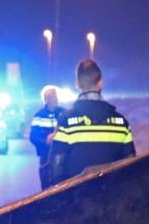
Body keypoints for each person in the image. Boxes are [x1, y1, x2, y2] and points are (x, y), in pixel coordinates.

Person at [45, 59, 135, 188]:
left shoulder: (66, 121)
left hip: (77, 201)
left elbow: (56, 165)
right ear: (100, 83)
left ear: (78, 84)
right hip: (113, 200)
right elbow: (131, 164)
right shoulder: (121, 122)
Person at [29, 86, 66, 188]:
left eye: (55, 96)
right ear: (45, 100)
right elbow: (33, 137)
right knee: (46, 186)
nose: (54, 99)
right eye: (51, 97)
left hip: (63, 156)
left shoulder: (65, 113)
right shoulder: (39, 115)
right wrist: (45, 141)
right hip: (46, 157)